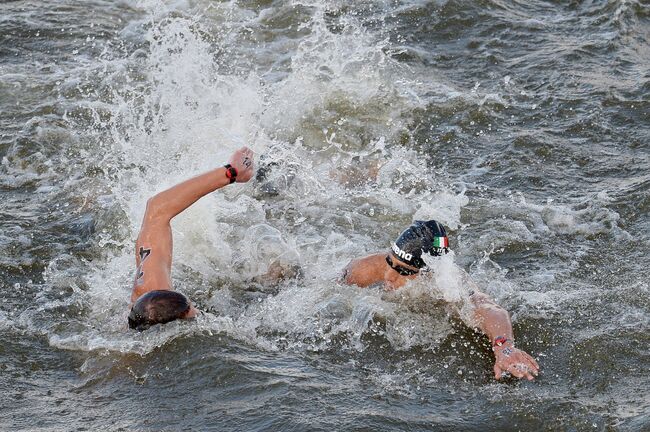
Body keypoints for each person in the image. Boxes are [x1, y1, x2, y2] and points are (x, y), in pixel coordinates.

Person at [342, 220, 540, 381]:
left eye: (403, 271)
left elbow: (489, 309)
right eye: (390, 262)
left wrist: (503, 346)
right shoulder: (369, 267)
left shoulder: (449, 286)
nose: (389, 276)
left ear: (429, 273)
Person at [128, 146, 255, 331]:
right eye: (192, 310)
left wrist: (231, 172)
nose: (196, 310)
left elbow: (157, 209)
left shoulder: (146, 291)